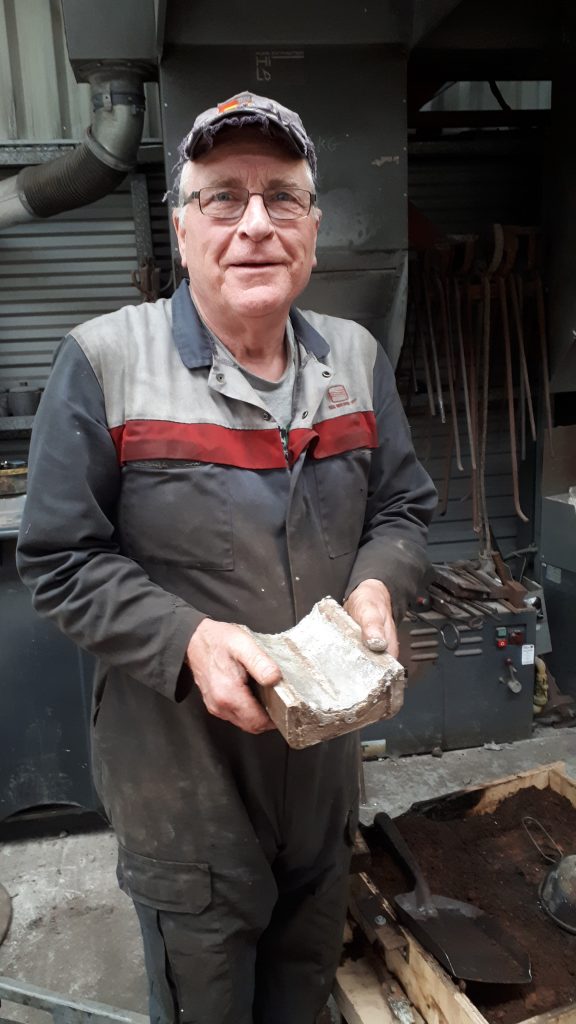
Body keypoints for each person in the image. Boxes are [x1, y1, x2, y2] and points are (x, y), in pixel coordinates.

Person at [17, 91, 437, 1024]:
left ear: (314, 230)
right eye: (223, 197)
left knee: (304, 993)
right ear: (181, 226)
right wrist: (189, 639)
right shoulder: (104, 365)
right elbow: (59, 558)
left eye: (282, 197)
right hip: (184, 793)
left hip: (324, 776)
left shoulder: (357, 364)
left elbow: (406, 508)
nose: (256, 223)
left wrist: (378, 581)